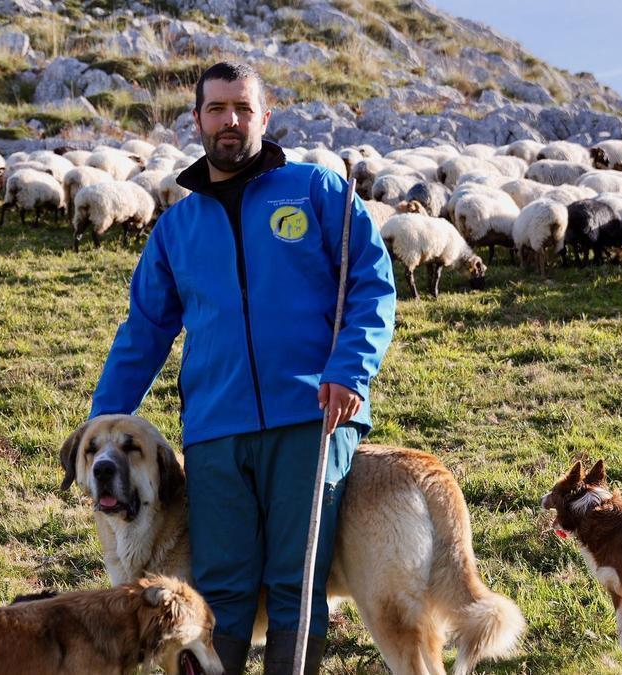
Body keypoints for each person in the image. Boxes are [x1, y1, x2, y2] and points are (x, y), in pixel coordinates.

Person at [89, 61, 396, 675]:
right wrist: (102, 421)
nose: (230, 121)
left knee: (294, 583)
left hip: (308, 417)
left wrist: (350, 370)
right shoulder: (177, 227)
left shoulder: (317, 192)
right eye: (217, 109)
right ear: (197, 119)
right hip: (215, 431)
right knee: (220, 589)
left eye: (242, 108)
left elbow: (372, 286)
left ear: (264, 116)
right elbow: (145, 331)